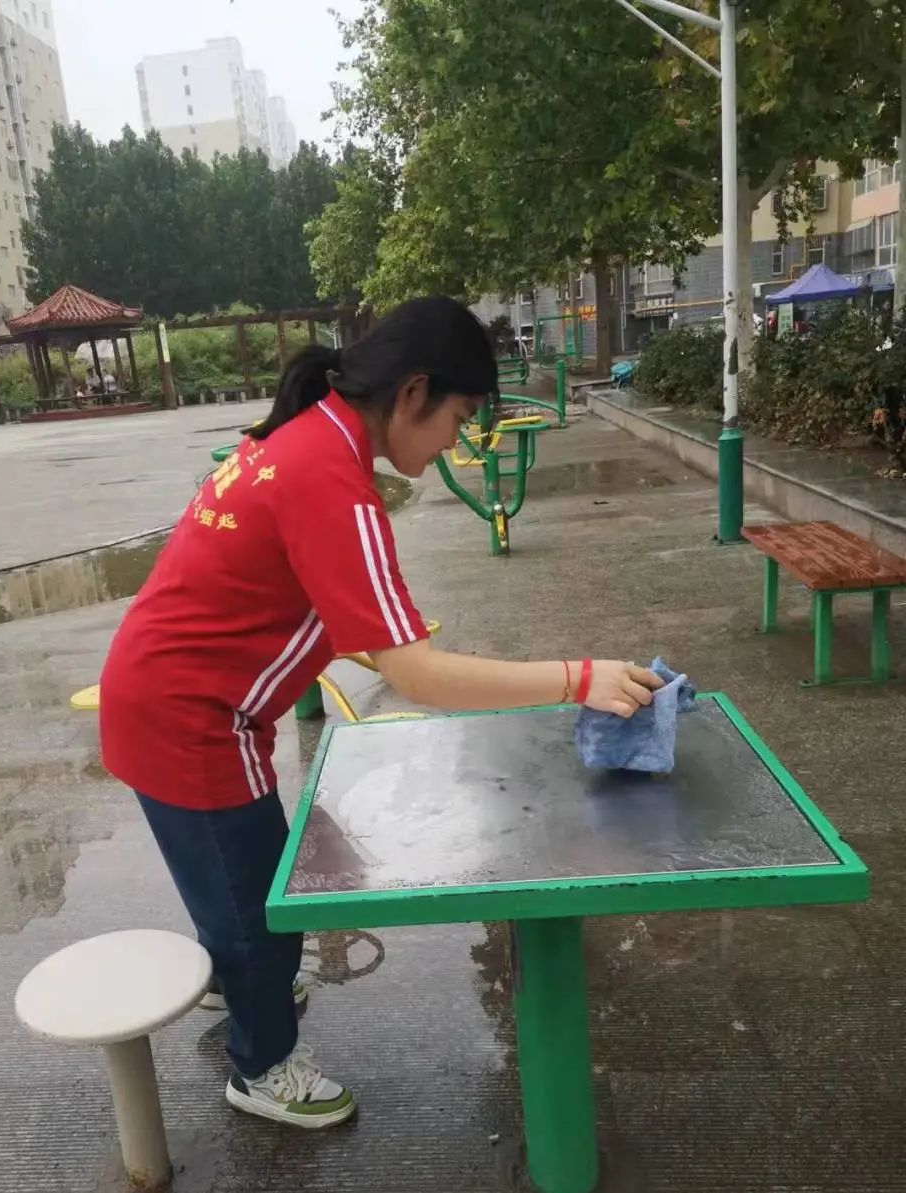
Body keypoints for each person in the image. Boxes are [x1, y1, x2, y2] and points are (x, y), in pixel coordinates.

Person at [98, 296, 661, 1131]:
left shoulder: (305, 438)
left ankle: (236, 974)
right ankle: (261, 1065)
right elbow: (419, 676)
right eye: (458, 420)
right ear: (413, 393)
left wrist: (403, 647)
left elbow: (336, 617)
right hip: (191, 720)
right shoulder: (334, 479)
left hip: (155, 692)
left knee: (234, 884)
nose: (452, 447)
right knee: (262, 912)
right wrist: (581, 677)